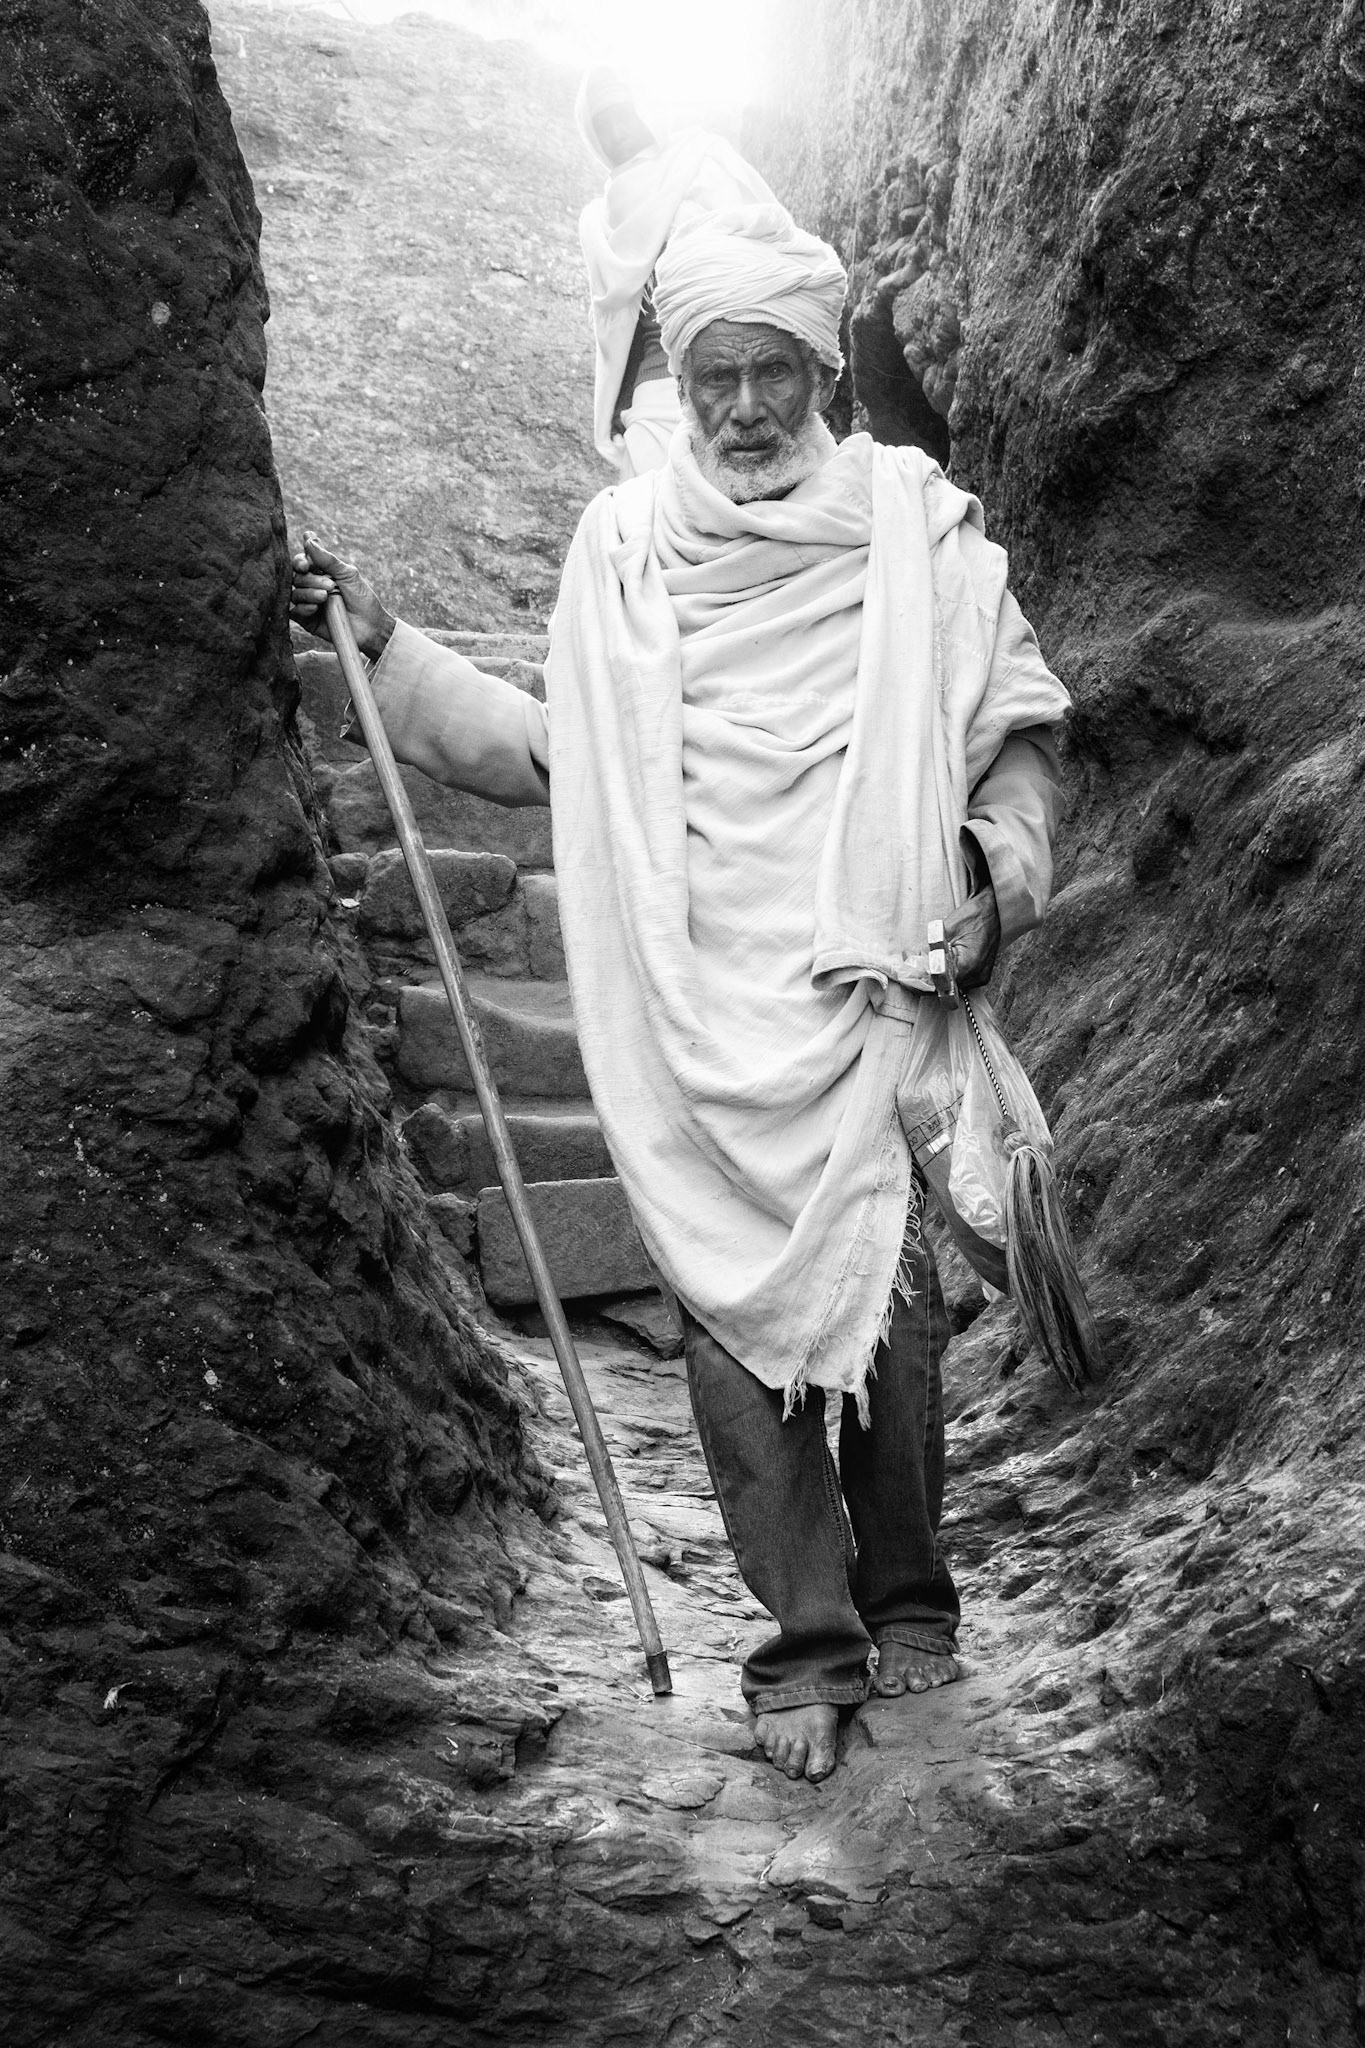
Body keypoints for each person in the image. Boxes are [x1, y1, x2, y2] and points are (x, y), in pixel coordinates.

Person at [292, 202, 1068, 1785]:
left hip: (870, 989)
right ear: (677, 377)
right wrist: (382, 647)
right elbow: (542, 752)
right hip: (697, 1013)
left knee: (901, 1320)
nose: (740, 409)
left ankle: (909, 1588)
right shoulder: (626, 556)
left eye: (769, 370)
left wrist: (996, 873)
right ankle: (805, 1642)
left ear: (820, 365)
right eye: (711, 375)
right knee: (731, 1336)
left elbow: (1024, 735)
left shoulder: (919, 535)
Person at [574, 65, 776, 476]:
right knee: (644, 525)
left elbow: (765, 249)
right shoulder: (600, 220)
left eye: (623, 116)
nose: (616, 135)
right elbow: (623, 326)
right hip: (653, 392)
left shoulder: (702, 160)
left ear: (645, 109)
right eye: (603, 125)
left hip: (730, 378)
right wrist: (622, 401)